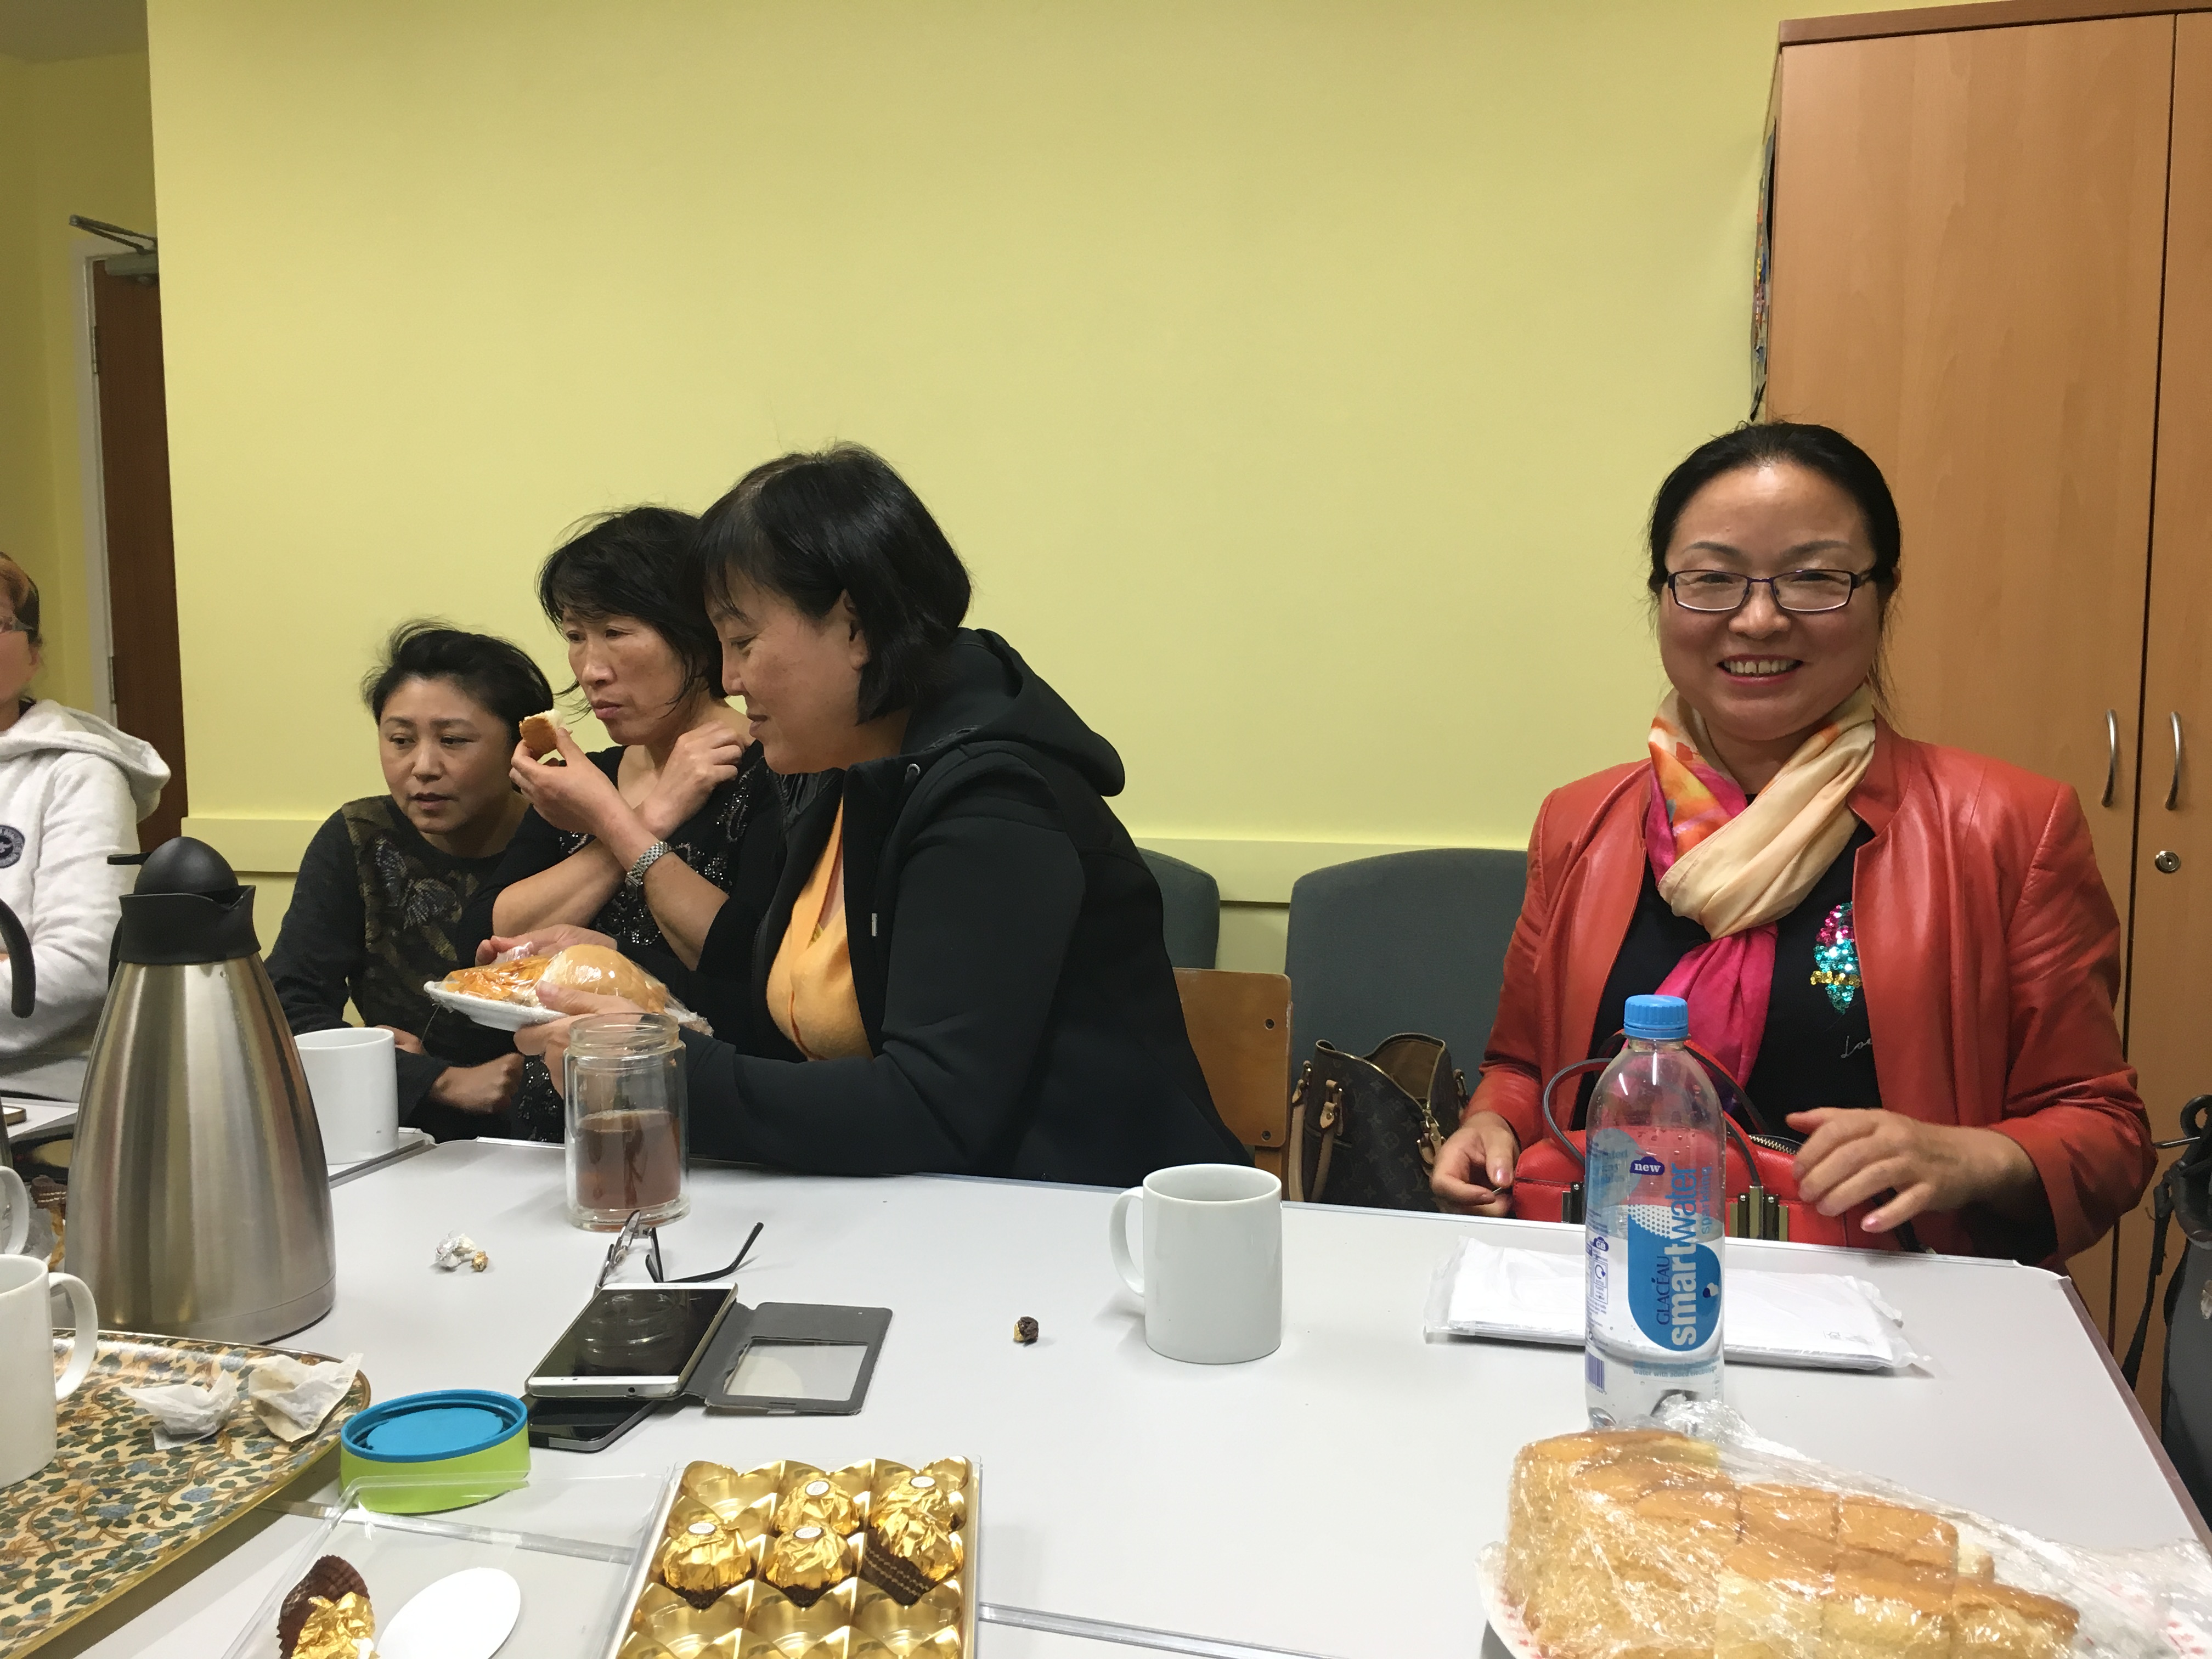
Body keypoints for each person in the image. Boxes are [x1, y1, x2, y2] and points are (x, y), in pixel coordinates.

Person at [1430, 423, 2153, 1264]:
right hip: (1614, 1285)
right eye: (1712, 579)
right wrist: (1490, 1125)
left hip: (1888, 1300)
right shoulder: (1578, 822)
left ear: (1883, 594)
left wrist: (1968, 1157)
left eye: (1814, 579)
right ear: (1662, 596)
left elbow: (2105, 1131)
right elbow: (1524, 1067)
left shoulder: (2009, 827)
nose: (1759, 618)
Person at [515, 444, 1244, 1186]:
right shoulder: (840, 771)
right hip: (947, 1205)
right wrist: (625, 978)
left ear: (856, 627)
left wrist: (664, 1068)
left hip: (1095, 1214)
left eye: (743, 643)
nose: (730, 681)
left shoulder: (992, 801)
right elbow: (774, 1000)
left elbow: (935, 1108)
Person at [465, 506, 784, 1137]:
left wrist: (612, 819)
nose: (591, 669)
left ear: (698, 634)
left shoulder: (773, 768)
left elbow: (750, 973)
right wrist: (647, 814)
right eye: (576, 636)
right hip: (553, 1126)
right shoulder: (588, 776)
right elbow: (490, 940)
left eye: (615, 631)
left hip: (704, 1124)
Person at [266, 622, 552, 1139]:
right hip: (396, 1133)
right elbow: (288, 1005)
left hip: (552, 1133)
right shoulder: (360, 837)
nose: (423, 767)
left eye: (453, 741)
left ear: (519, 746)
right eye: (400, 740)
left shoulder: (565, 835)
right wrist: (434, 1079)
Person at [0, 554, 168, 1099]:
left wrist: (22, 966)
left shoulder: (78, 775)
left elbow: (79, 969)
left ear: (33, 654)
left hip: (39, 1094)